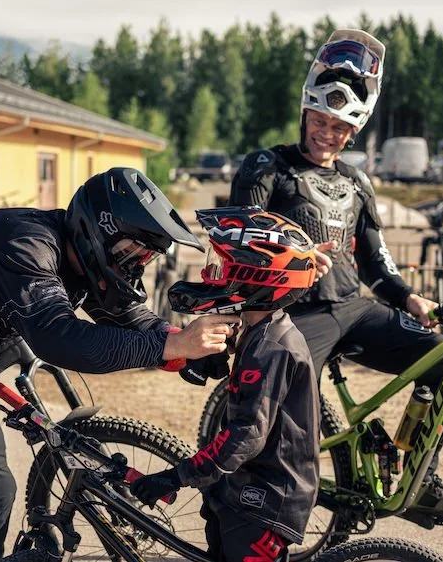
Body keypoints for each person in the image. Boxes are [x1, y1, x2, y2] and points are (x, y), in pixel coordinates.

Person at [0, 167, 240, 562]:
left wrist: (182, 350)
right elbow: (60, 339)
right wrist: (170, 346)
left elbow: (127, 314)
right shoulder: (25, 248)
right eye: (130, 253)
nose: (134, 267)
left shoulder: (83, 254)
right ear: (96, 232)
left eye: (145, 258)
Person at [227, 29, 443, 527]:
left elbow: (377, 261)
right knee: (278, 415)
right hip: (295, 315)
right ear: (305, 112)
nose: (327, 134)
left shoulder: (357, 182)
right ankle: (261, 510)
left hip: (355, 307)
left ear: (352, 134)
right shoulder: (267, 166)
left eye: (339, 129)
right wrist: (297, 258)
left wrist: (408, 297)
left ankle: (420, 477)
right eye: (320, 120)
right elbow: (239, 242)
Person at [131, 207, 320, 562]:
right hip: (241, 487)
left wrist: (176, 477)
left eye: (221, 263)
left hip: (267, 499)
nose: (210, 272)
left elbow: (246, 434)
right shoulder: (258, 330)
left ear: (255, 274)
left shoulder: (271, 347)